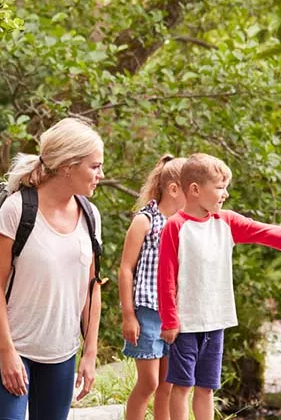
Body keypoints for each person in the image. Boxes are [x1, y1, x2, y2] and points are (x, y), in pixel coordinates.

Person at [156, 153, 281, 420]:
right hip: (186, 324)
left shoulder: (227, 222)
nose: (226, 194)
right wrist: (170, 320)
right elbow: (166, 277)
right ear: (195, 190)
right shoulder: (176, 226)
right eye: (220, 187)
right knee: (182, 386)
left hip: (215, 322)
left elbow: (270, 233)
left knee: (206, 388)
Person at [0, 118, 105, 419]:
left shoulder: (90, 215)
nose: (101, 174)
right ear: (67, 167)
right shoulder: (17, 209)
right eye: (95, 166)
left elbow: (92, 287)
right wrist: (7, 353)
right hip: (10, 350)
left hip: (61, 354)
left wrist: (90, 353)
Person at [119, 154, 186, 420]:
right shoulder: (145, 221)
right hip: (147, 313)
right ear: (173, 189)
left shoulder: (184, 225)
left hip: (173, 315)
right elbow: (126, 269)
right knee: (149, 383)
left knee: (167, 385)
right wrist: (128, 316)